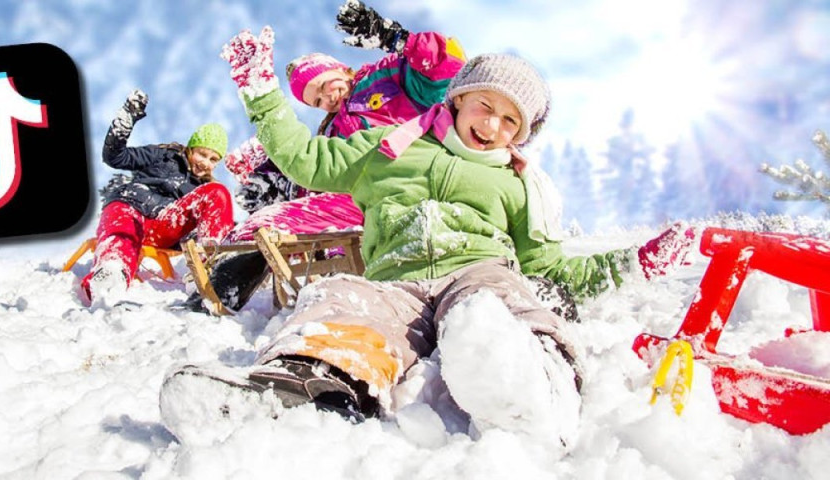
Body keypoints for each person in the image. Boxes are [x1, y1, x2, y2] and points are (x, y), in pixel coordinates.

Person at [160, 28, 697, 448]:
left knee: (495, 304)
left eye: (512, 120)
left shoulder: (515, 181)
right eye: (486, 105)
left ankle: (532, 384)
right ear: (460, 100)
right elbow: (304, 159)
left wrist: (636, 262)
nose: (494, 125)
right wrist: (262, 91)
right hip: (399, 277)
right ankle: (295, 386)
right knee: (343, 298)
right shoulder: (389, 147)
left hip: (479, 268)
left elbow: (549, 264)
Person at [184, 0, 467, 314]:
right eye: (316, 101)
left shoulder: (385, 77)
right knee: (271, 222)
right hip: (357, 203)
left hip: (406, 188)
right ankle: (214, 288)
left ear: (339, 68)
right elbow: (323, 173)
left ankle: (215, 295)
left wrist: (396, 38)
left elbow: (449, 70)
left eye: (323, 86)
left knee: (276, 222)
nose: (326, 99)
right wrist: (281, 182)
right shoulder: (330, 131)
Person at [82, 89, 235, 307]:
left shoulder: (203, 188)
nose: (205, 163)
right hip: (130, 207)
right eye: (202, 154)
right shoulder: (162, 155)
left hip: (165, 224)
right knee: (123, 227)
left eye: (213, 159)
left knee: (218, 192)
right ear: (190, 148)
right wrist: (126, 121)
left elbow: (216, 220)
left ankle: (206, 270)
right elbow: (115, 157)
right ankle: (111, 271)